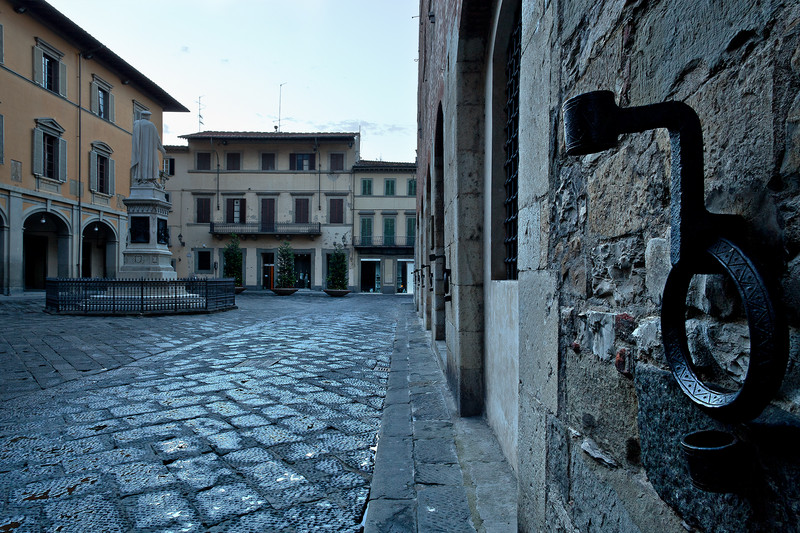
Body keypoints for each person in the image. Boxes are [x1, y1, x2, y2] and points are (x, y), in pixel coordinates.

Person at [131, 110, 167, 188]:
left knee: (142, 163)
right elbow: (157, 139)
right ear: (148, 116)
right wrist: (162, 149)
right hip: (150, 152)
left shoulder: (137, 124)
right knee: (152, 163)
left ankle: (141, 179)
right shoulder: (151, 125)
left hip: (140, 151)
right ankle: (150, 179)